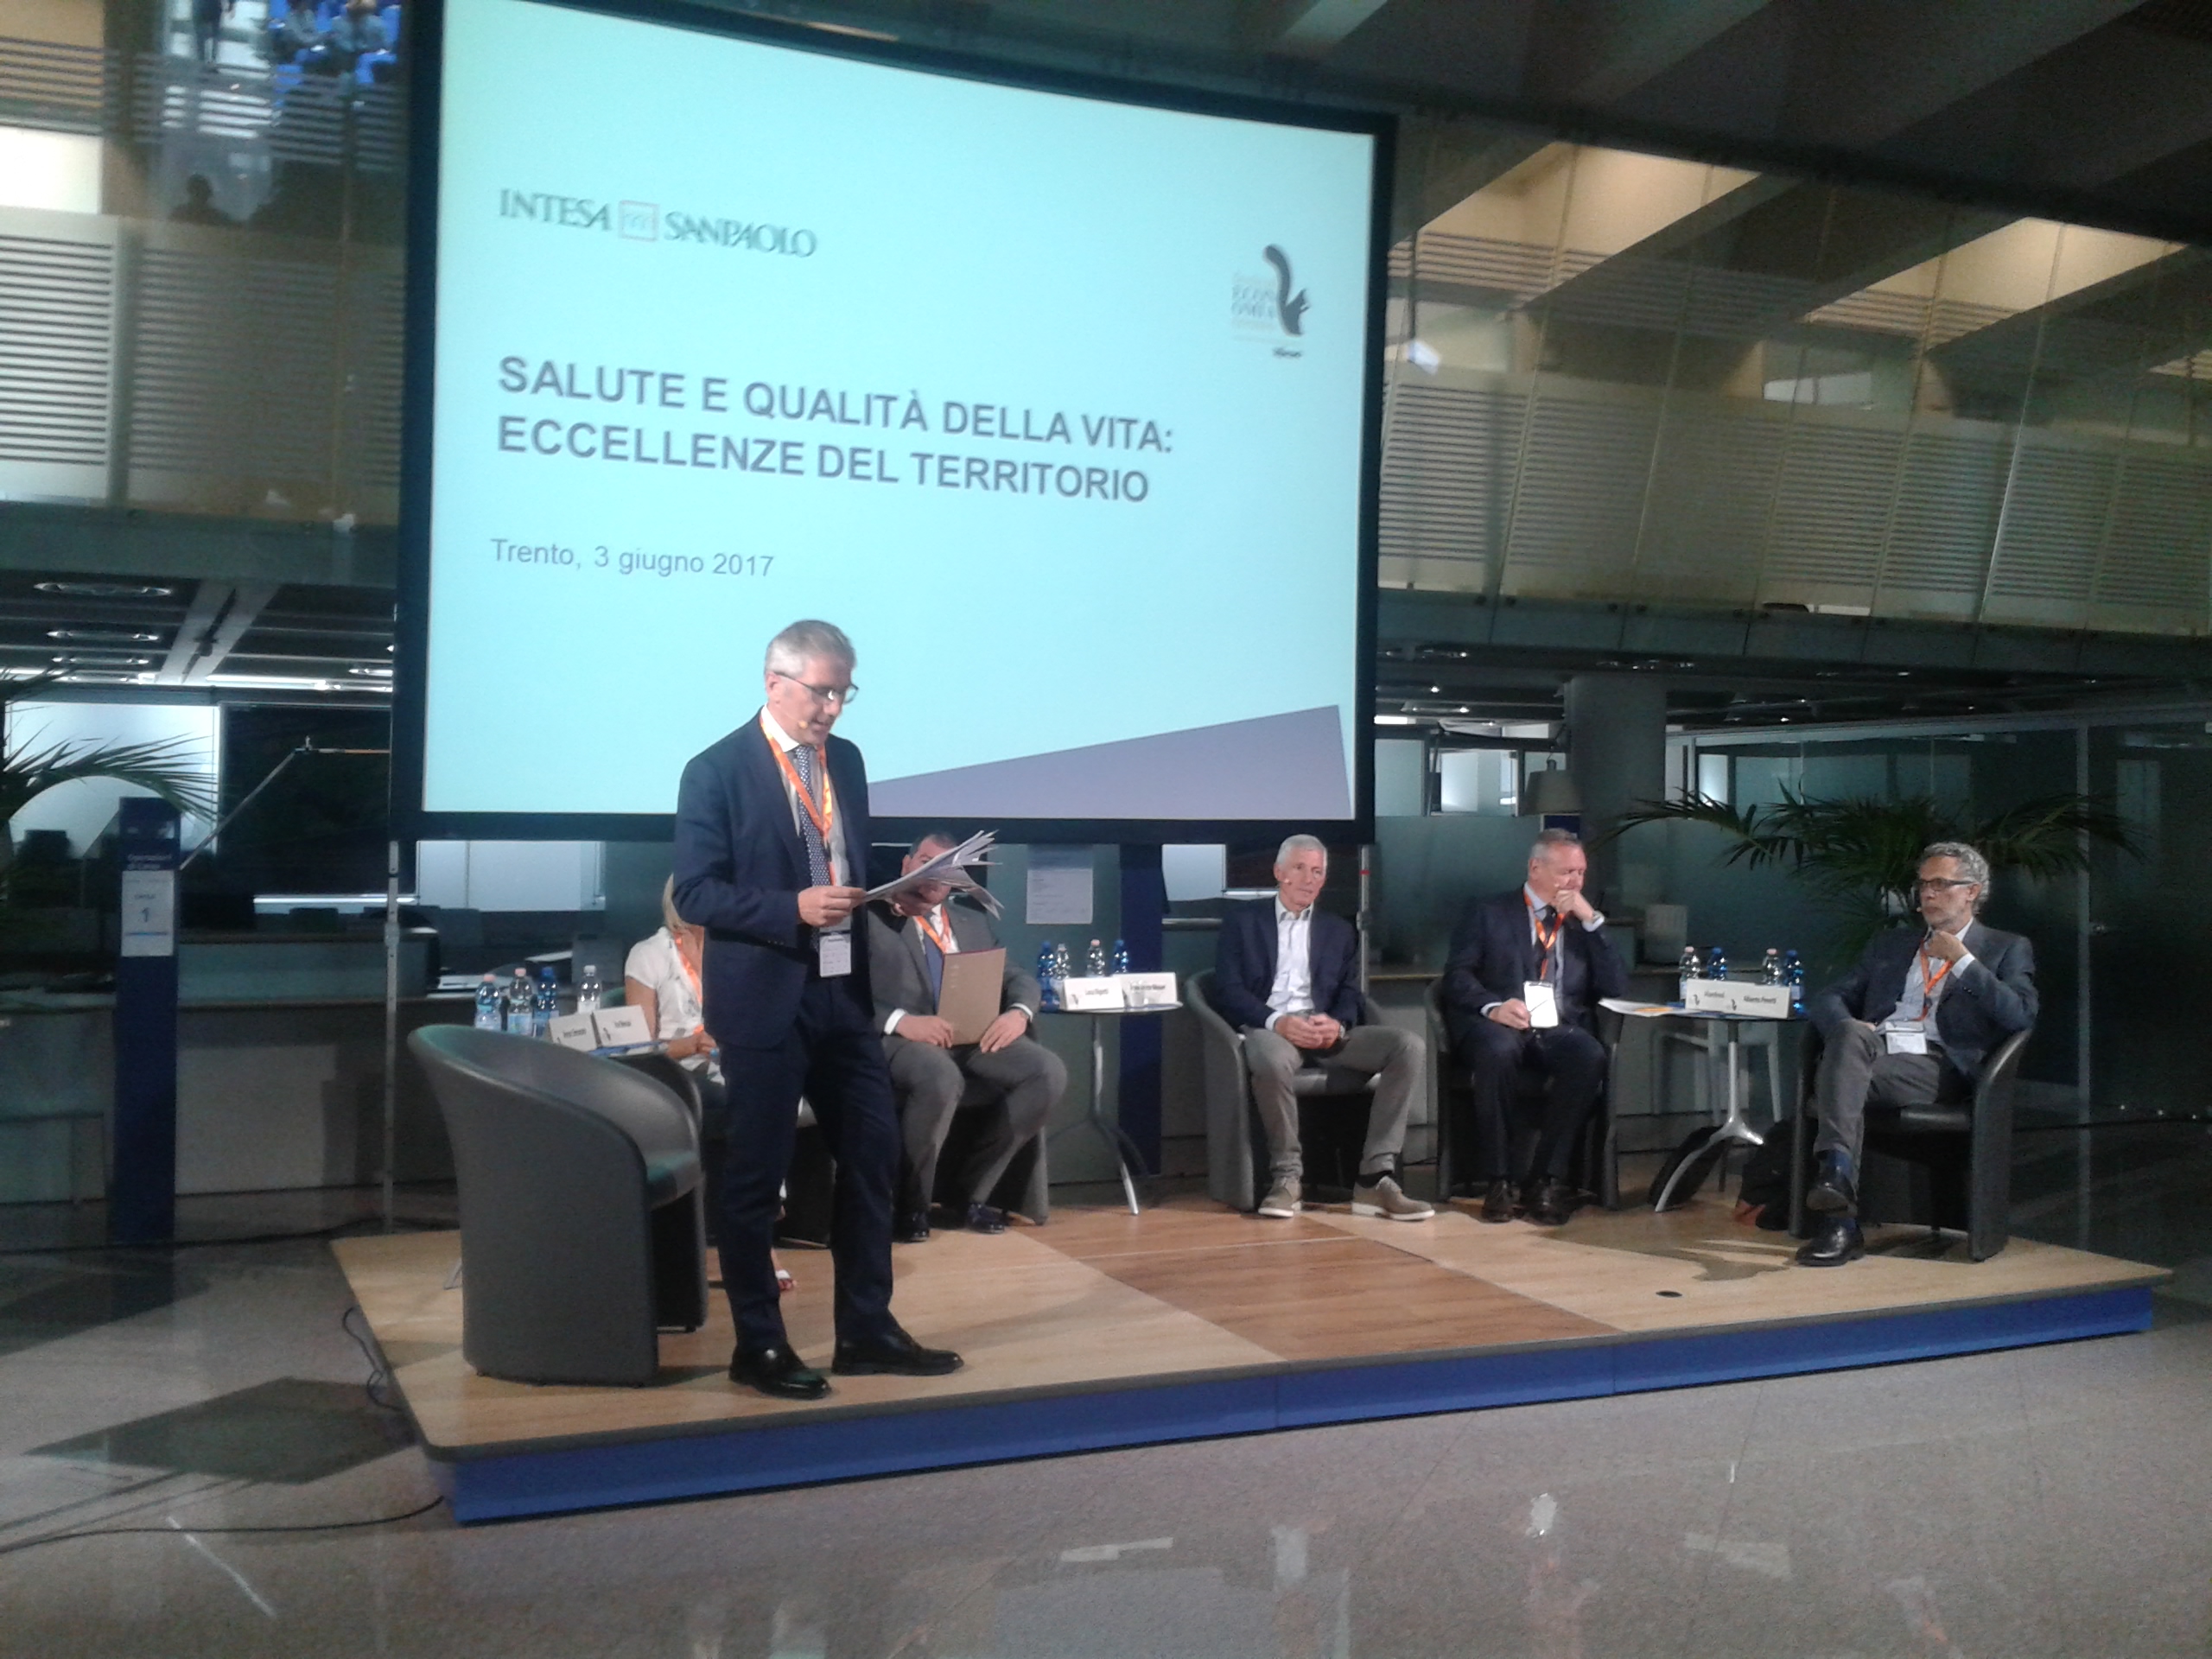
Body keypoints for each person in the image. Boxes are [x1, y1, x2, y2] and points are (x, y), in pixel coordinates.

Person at [672, 620, 961, 1401]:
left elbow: (843, 862)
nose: (832, 708)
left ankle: (866, 1330)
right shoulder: (715, 770)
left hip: (844, 997)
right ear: (774, 683)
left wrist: (891, 898)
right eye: (821, 692)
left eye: (843, 693)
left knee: (871, 1159)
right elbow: (695, 893)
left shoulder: (849, 762)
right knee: (756, 1177)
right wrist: (790, 908)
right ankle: (759, 1346)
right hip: (765, 1000)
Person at [1799, 841, 2037, 1267]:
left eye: (1941, 884)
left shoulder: (2005, 947)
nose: (1927, 894)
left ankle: (1838, 1212)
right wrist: (1847, 1027)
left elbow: (2019, 1014)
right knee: (1848, 1036)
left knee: (1841, 1078)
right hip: (1874, 1052)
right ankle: (1837, 1187)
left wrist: (1963, 962)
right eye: (1924, 885)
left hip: (1938, 1064)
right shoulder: (1892, 944)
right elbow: (1830, 997)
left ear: (1972, 891)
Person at [1211, 835, 1432, 1222]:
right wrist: (1277, 1021)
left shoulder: (1338, 930)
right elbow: (1228, 989)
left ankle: (1374, 1178)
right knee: (1270, 1059)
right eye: (1300, 869)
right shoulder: (1243, 922)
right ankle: (1287, 1178)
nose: (1309, 879)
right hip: (1272, 1028)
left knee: (1408, 1046)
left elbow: (1350, 992)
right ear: (1279, 872)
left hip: (1324, 1030)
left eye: (1317, 872)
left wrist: (1338, 1024)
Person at [866, 830, 1064, 1240]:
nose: (934, 876)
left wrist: (1018, 1013)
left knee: (1046, 1071)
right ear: (906, 864)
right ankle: (912, 1206)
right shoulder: (870, 918)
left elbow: (1017, 977)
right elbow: (839, 992)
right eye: (926, 863)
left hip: (970, 1036)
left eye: (948, 869)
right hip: (902, 1038)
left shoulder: (971, 922)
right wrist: (901, 1021)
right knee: (940, 1075)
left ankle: (970, 1195)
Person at [1441, 829, 1628, 1226]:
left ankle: (1545, 1179)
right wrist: (1493, 1007)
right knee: (1498, 1051)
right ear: (1535, 868)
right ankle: (1499, 1180)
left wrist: (1593, 922)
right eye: (1565, 873)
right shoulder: (1489, 911)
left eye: (1581, 873)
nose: (1575, 882)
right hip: (1504, 1022)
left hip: (1559, 1026)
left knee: (1589, 1055)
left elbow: (1615, 987)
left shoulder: (1581, 923)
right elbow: (1457, 976)